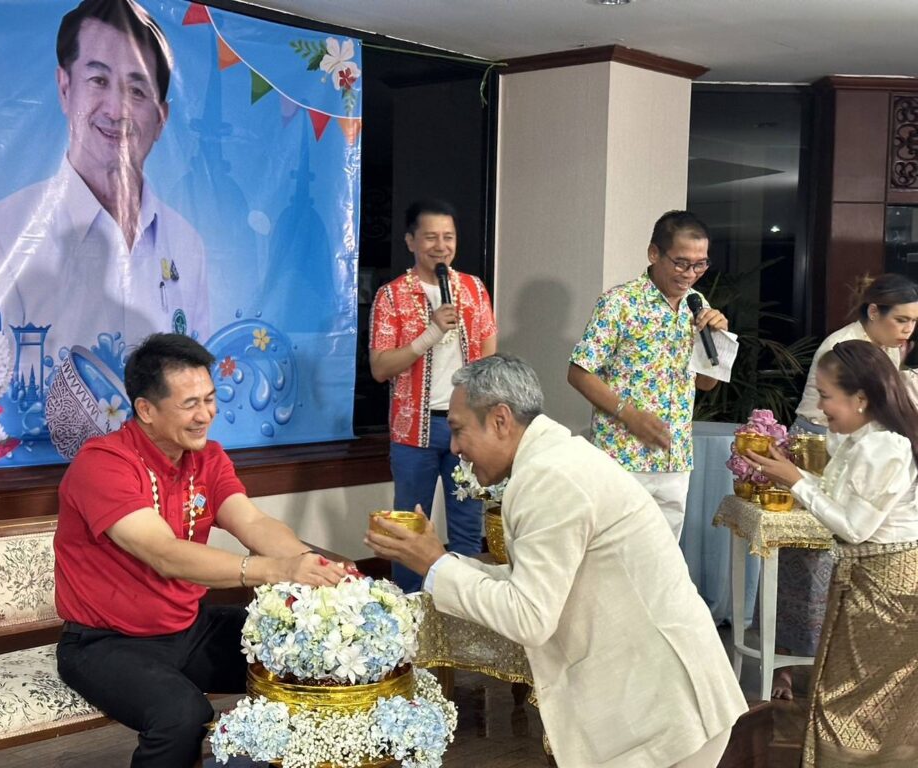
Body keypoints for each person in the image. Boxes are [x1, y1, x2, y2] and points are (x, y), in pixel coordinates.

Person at [367, 355, 747, 768]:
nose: (454, 447)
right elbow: (532, 581)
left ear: (500, 420)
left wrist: (435, 566)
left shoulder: (549, 476)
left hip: (668, 711)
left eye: (458, 430)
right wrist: (440, 561)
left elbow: (529, 617)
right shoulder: (553, 460)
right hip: (660, 700)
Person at [54, 333, 345, 768]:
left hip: (188, 627)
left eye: (210, 399)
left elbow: (253, 523)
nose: (205, 414)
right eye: (190, 404)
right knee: (182, 716)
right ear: (146, 410)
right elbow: (164, 553)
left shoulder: (207, 457)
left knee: (306, 654)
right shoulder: (103, 464)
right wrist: (276, 570)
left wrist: (308, 563)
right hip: (105, 643)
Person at [0, 0, 209, 385]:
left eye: (137, 90)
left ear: (161, 119)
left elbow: (198, 389)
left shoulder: (186, 245)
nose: (117, 110)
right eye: (99, 81)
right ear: (65, 88)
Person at [747, 340, 918, 766]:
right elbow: (838, 500)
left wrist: (795, 481)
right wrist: (791, 475)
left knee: (850, 702)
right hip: (870, 581)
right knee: (840, 694)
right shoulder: (860, 440)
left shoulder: (883, 447)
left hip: (889, 586)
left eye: (826, 396)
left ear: (860, 398)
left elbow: (855, 528)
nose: (820, 408)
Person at [567, 210, 728, 540]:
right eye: (681, 263)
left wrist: (718, 338)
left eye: (700, 265)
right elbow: (579, 372)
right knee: (614, 555)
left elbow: (706, 383)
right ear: (655, 253)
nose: (690, 274)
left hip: (675, 458)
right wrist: (631, 415)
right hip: (622, 455)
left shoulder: (697, 304)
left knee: (663, 558)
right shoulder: (619, 303)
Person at [368, 199, 497, 592]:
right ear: (411, 241)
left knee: (467, 524)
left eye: (448, 237)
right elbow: (380, 368)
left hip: (468, 428)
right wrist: (431, 333)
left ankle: (463, 606)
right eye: (430, 237)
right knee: (409, 525)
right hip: (414, 432)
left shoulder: (473, 289)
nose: (440, 246)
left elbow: (489, 354)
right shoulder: (392, 296)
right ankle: (408, 609)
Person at [795, 273, 918, 433]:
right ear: (873, 312)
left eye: (914, 321)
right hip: (819, 434)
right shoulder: (842, 347)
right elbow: (858, 408)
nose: (909, 330)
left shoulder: (891, 346)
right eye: (901, 320)